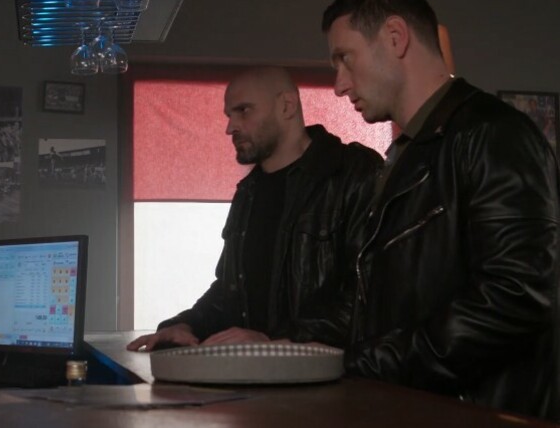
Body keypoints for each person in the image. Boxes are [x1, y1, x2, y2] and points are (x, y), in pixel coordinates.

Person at [321, 0, 559, 420]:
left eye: (345, 58)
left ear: (395, 37)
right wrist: (298, 350)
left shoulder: (492, 135)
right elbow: (379, 299)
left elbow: (517, 297)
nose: (338, 84)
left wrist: (367, 365)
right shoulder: (405, 155)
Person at [127, 66, 382, 352]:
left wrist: (276, 341)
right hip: (251, 371)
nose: (230, 127)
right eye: (229, 115)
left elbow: (371, 295)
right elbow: (228, 290)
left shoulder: (353, 173)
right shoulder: (247, 192)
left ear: (286, 106)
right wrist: (186, 324)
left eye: (243, 111)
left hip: (331, 374)